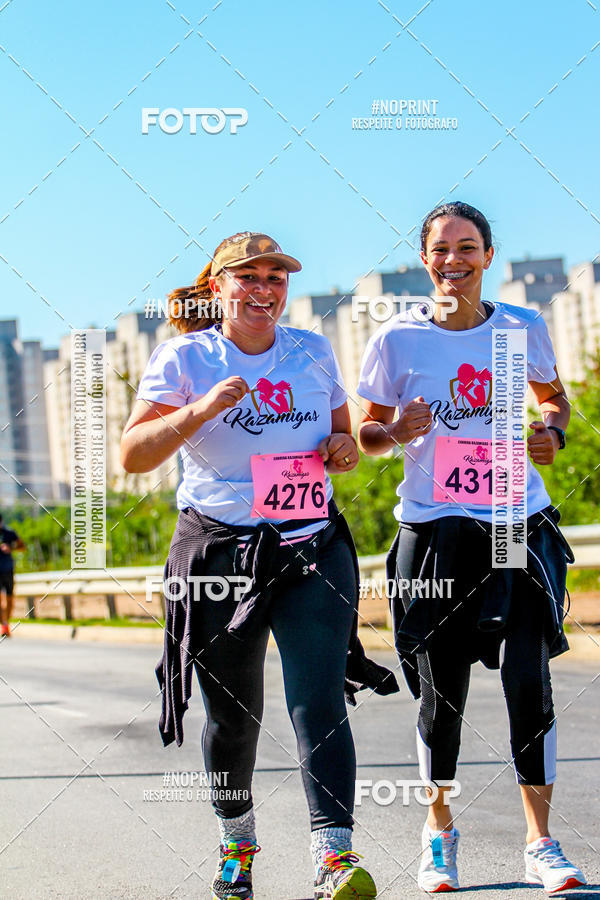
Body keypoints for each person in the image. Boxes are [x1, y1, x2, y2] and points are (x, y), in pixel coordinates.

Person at [121, 232, 397, 900]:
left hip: (309, 546)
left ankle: (334, 859)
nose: (266, 289)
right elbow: (132, 455)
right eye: (250, 277)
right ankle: (236, 846)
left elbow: (341, 434)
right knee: (232, 715)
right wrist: (201, 408)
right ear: (218, 288)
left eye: (277, 277)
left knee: (319, 702)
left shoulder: (312, 350)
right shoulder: (185, 356)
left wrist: (341, 448)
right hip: (219, 552)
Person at [357, 202, 586, 895]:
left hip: (517, 520)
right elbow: (363, 435)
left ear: (487, 255)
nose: (453, 260)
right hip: (434, 531)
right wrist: (396, 431)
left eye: (467, 247)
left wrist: (553, 429)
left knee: (528, 680)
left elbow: (555, 399)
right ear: (425, 259)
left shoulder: (524, 327)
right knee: (440, 696)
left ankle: (541, 844)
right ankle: (438, 834)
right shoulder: (397, 340)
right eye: (440, 249)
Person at [0, 512, 25, 637]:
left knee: (10, 599)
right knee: (0, 601)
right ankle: (4, 625)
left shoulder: (9, 533)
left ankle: (6, 623)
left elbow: (22, 546)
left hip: (8, 570)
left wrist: (11, 547)